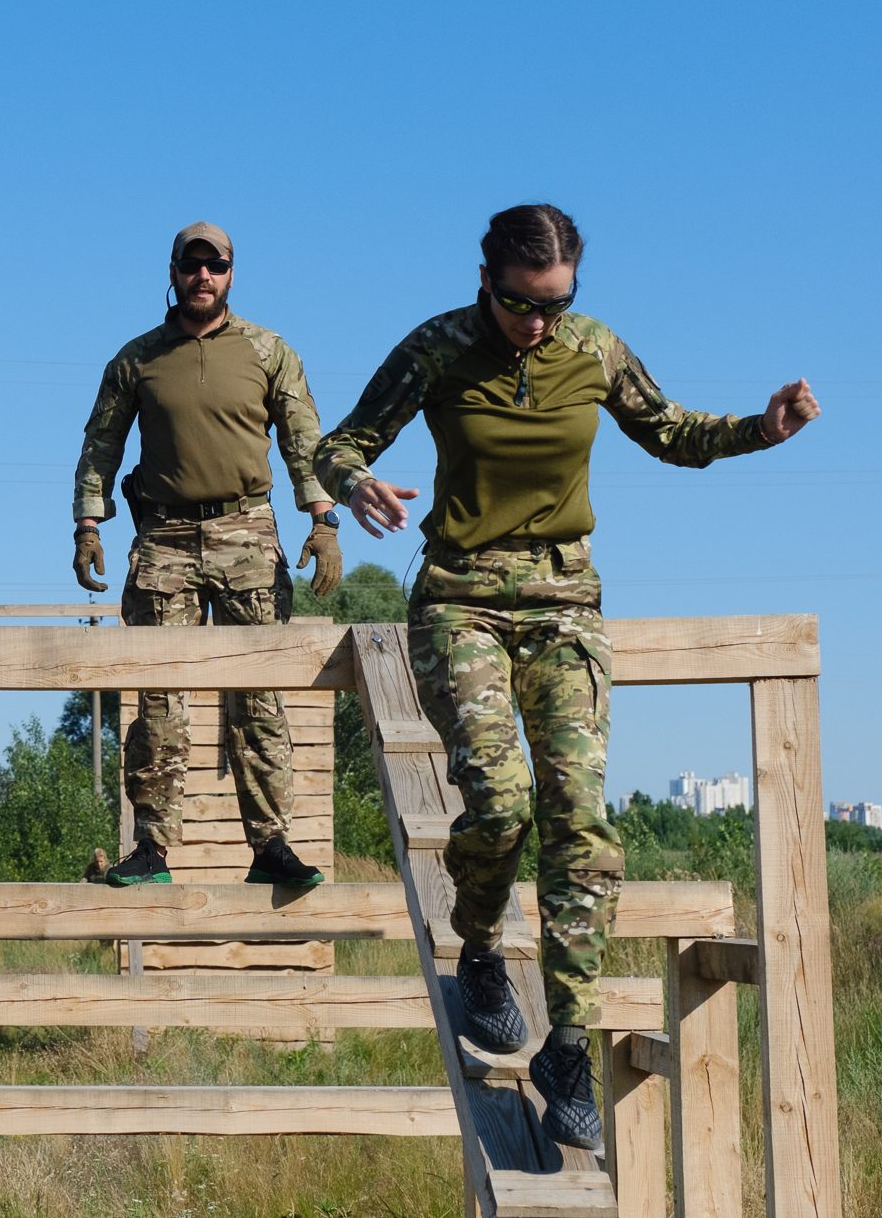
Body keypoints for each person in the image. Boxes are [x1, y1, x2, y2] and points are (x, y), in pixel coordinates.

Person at [313, 203, 820, 1150]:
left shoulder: (594, 349)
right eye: (520, 303)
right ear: (487, 278)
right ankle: (478, 954)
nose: (536, 323)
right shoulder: (438, 348)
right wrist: (355, 485)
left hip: (563, 606)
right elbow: (335, 444)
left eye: (556, 303)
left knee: (580, 817)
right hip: (459, 598)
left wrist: (762, 427)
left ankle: (569, 1045)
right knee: (500, 801)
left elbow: (669, 429)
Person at [72, 223, 341, 889]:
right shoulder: (137, 359)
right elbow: (101, 443)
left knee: (258, 697)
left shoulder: (267, 350)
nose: (203, 277)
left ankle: (272, 846)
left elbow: (304, 437)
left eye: (214, 266)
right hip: (163, 540)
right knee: (160, 700)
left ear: (230, 273)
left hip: (246, 532)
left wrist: (324, 518)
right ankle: (153, 848)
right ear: (172, 271)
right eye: (191, 266)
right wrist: (87, 524)